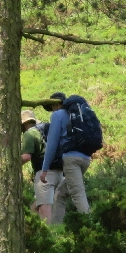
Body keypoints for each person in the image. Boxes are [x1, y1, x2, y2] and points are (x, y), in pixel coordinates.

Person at [39, 91, 102, 225]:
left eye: (51, 107)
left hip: (70, 159)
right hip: (85, 158)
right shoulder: (77, 115)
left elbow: (51, 144)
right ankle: (56, 229)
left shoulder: (57, 115)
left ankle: (90, 227)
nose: (51, 111)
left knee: (78, 193)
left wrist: (45, 169)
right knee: (60, 194)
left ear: (55, 104)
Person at [19, 109, 52, 222]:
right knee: (36, 206)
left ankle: (49, 232)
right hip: (58, 170)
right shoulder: (42, 131)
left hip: (43, 173)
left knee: (43, 205)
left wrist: (12, 163)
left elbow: (27, 156)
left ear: (23, 124)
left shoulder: (29, 134)